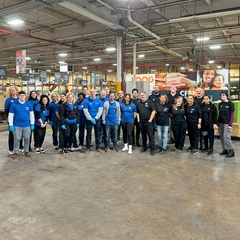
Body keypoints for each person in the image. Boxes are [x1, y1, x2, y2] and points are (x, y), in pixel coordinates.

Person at [8, 91, 35, 159]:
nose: (22, 97)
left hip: (27, 125)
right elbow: (11, 115)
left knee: (27, 138)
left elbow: (31, 115)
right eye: (20, 95)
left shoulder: (29, 104)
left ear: (25, 96)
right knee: (17, 139)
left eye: (23, 95)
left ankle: (26, 151)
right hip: (17, 125)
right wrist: (11, 124)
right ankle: (16, 152)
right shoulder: (14, 105)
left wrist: (32, 123)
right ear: (18, 96)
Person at [83, 88, 103, 153]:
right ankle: (88, 148)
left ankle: (98, 147)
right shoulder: (86, 101)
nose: (92, 93)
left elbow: (100, 110)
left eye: (94, 92)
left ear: (95, 93)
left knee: (97, 134)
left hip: (97, 120)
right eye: (91, 92)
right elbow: (85, 111)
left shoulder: (99, 101)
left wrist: (96, 118)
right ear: (89, 93)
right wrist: (90, 118)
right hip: (89, 120)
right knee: (88, 134)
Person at [137, 91, 156, 156]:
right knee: (143, 136)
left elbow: (153, 111)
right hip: (141, 122)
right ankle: (144, 147)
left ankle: (152, 149)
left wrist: (150, 120)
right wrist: (138, 120)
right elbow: (137, 112)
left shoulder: (150, 102)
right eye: (141, 95)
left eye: (143, 95)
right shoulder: (139, 103)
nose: (142, 96)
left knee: (151, 136)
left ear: (146, 95)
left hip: (149, 122)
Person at [218, 92, 235, 158]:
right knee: (222, 137)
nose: (222, 96)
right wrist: (217, 123)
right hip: (220, 123)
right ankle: (225, 149)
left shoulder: (231, 104)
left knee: (226, 137)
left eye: (223, 95)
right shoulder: (220, 104)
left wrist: (230, 124)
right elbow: (220, 114)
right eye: (221, 95)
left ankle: (231, 150)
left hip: (227, 123)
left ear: (227, 96)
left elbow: (232, 115)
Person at [4, 86, 19, 155]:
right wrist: (9, 120)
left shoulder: (20, 98)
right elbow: (6, 110)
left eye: (14, 90)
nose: (13, 91)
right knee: (11, 134)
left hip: (19, 119)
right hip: (12, 120)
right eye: (11, 90)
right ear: (10, 92)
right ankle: (11, 148)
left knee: (19, 134)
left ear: (16, 91)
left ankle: (19, 147)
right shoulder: (8, 100)